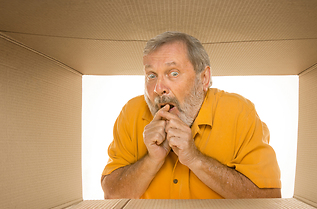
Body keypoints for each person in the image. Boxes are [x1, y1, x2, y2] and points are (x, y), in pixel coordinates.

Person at [101, 31, 281, 199]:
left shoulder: (240, 112)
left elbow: (269, 198)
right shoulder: (131, 112)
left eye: (173, 73)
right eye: (151, 75)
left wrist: (195, 158)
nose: (158, 88)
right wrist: (152, 160)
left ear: (203, 78)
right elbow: (111, 194)